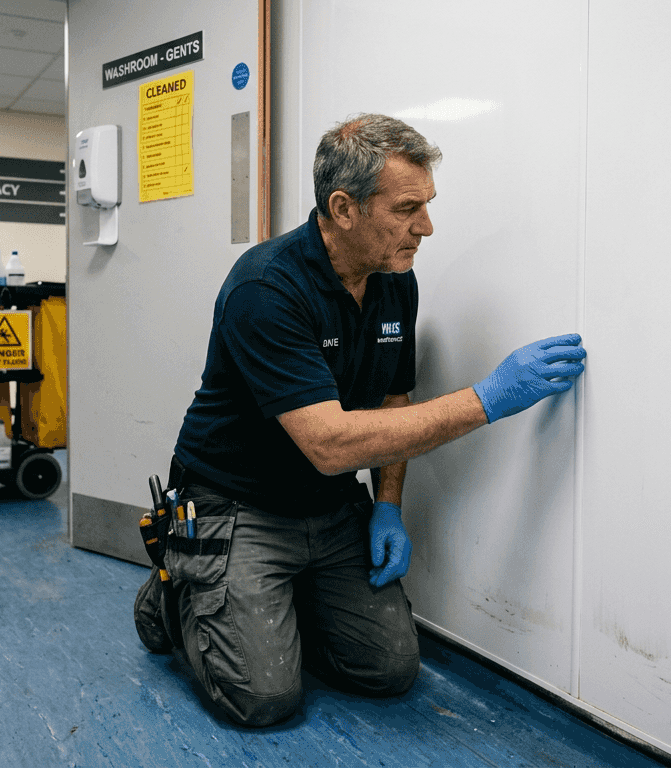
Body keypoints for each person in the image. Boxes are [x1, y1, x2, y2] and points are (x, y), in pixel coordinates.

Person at [135, 114, 587, 726]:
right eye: (407, 209)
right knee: (263, 699)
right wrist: (489, 398)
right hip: (238, 501)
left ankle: (270, 602)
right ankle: (175, 592)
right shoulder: (266, 288)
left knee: (388, 669)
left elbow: (391, 401)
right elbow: (327, 443)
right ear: (343, 208)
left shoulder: (395, 281)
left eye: (426, 205)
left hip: (326, 505)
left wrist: (388, 506)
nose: (426, 227)